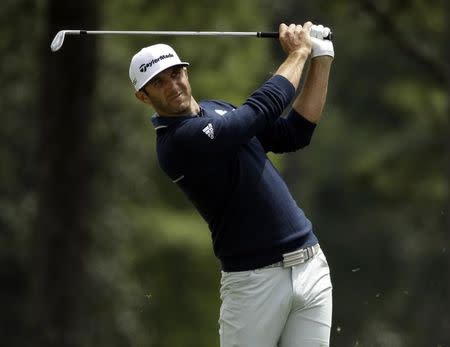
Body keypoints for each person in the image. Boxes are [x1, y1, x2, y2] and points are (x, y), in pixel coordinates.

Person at [129, 21, 334, 347]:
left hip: (310, 265)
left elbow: (294, 134)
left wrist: (320, 60)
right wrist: (298, 53)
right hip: (254, 281)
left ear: (186, 72)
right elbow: (257, 113)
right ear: (143, 96)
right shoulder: (176, 143)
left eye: (175, 74)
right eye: (158, 83)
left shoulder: (217, 108)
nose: (173, 85)